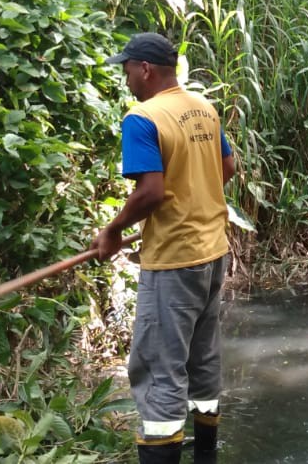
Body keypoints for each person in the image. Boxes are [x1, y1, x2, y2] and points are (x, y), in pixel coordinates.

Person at [92, 32, 238, 464]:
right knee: (203, 361)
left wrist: (114, 229)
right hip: (214, 254)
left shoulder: (143, 117)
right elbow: (228, 167)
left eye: (127, 70)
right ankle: (206, 456)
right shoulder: (204, 109)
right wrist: (195, 203)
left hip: (174, 261)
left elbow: (151, 192)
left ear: (145, 69)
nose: (125, 79)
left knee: (159, 370)